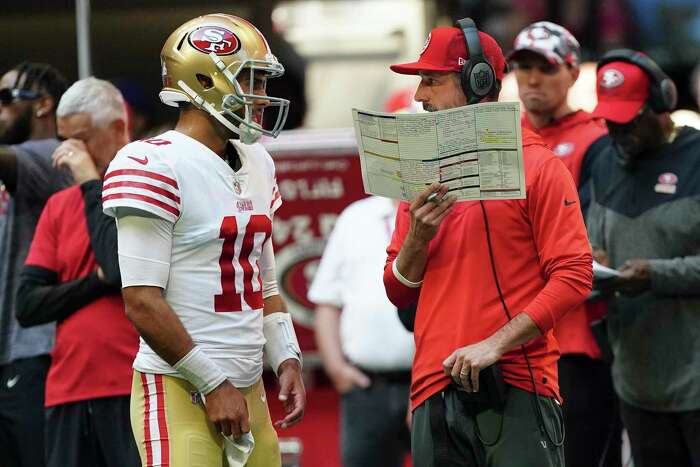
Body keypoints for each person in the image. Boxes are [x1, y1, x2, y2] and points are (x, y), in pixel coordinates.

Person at [384, 19, 593, 467]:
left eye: (431, 80)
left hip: (517, 383)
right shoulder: (420, 173)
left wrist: (496, 343)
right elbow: (398, 291)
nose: (420, 95)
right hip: (432, 388)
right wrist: (418, 238)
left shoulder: (538, 166)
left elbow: (575, 275)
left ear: (478, 81)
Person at [101, 14, 306, 467]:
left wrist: (286, 355)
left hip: (247, 388)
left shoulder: (258, 161)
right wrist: (212, 383)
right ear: (203, 81)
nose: (261, 97)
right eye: (249, 80)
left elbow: (265, 283)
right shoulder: (151, 162)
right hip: (181, 388)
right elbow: (140, 300)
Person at [507, 21, 620, 467]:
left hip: (577, 335)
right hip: (508, 329)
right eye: (523, 67)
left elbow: (600, 244)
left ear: (573, 73)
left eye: (546, 68)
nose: (532, 79)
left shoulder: (599, 139)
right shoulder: (497, 138)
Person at [15, 77, 139, 467]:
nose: (70, 153)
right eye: (64, 141)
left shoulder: (143, 186)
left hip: (130, 381)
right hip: (67, 387)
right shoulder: (58, 205)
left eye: (81, 140)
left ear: (118, 129)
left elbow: (120, 269)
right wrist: (94, 282)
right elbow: (28, 304)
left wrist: (90, 183)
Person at [587, 49, 700, 467]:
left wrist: (656, 274)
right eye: (610, 120)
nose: (618, 131)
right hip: (635, 378)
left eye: (629, 118)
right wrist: (591, 258)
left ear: (662, 103)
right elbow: (587, 239)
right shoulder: (602, 161)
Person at [309, 196, 414, 467]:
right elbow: (327, 301)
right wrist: (336, 368)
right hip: (365, 387)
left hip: (431, 385)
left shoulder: (448, 214)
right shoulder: (355, 217)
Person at [0, 62, 69, 467]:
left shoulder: (51, 156)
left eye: (6, 98)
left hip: (34, 354)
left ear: (43, 105)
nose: (1, 109)